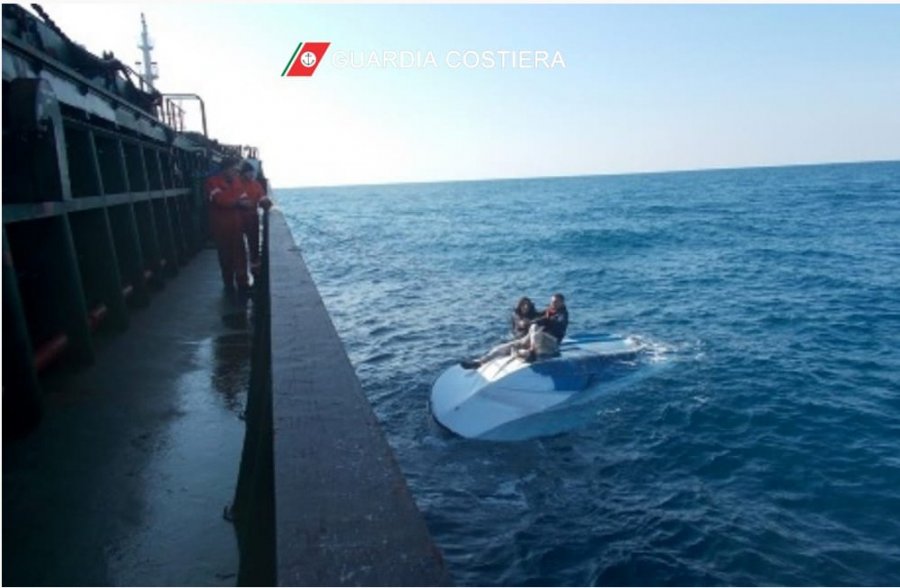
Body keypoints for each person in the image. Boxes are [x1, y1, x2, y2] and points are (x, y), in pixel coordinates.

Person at [459, 295, 552, 369]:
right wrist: (521, 326)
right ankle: (478, 363)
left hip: (530, 341)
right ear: (519, 306)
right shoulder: (516, 316)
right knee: (497, 349)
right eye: (523, 305)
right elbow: (516, 328)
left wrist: (531, 322)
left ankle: (532, 353)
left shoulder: (535, 314)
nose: (525, 307)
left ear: (531, 306)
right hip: (519, 341)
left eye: (527, 305)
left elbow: (546, 316)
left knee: (522, 347)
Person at [205, 156, 247, 293]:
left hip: (237, 227)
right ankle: (228, 285)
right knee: (225, 257)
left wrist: (239, 202)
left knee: (240, 257)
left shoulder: (237, 182)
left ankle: (243, 285)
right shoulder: (212, 182)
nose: (237, 173)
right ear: (225, 169)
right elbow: (221, 200)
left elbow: (245, 200)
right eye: (234, 170)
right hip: (221, 229)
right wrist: (237, 202)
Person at [236, 161, 272, 279]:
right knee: (238, 248)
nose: (252, 175)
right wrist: (241, 203)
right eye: (249, 173)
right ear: (243, 173)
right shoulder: (236, 184)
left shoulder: (256, 184)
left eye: (253, 173)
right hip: (237, 220)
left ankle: (255, 271)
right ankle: (241, 275)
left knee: (254, 245)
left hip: (252, 219)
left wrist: (265, 202)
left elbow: (262, 197)